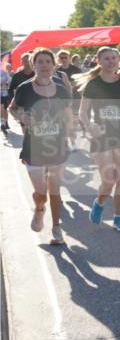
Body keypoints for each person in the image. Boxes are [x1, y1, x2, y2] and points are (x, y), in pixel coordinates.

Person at [76, 47, 120, 232]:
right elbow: (82, 111)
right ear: (98, 61)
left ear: (119, 60)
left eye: (114, 58)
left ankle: (118, 218)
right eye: (107, 58)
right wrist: (89, 125)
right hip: (101, 135)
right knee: (109, 180)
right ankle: (99, 203)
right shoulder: (93, 84)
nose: (111, 61)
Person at [10, 48, 74, 245]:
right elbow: (12, 108)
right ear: (33, 65)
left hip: (56, 145)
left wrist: (70, 133)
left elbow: (68, 114)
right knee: (41, 193)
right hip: (34, 146)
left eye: (48, 61)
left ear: (53, 65)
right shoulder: (24, 88)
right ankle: (39, 209)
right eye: (40, 62)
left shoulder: (61, 89)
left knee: (55, 190)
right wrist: (22, 117)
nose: (44, 65)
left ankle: (56, 228)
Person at [1, 62, 11, 132]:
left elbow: (9, 80)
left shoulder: (4, 73)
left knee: (5, 109)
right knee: (1, 108)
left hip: (4, 93)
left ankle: (6, 122)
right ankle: (2, 124)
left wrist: (6, 84)